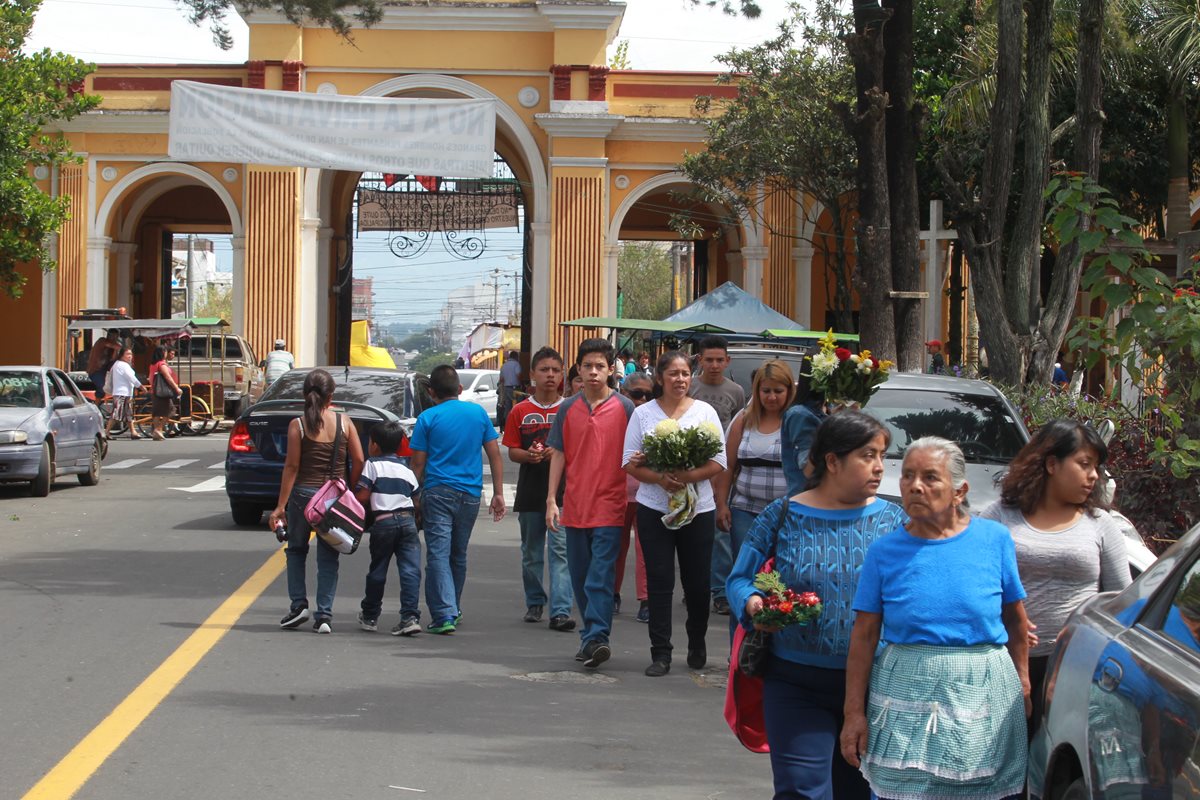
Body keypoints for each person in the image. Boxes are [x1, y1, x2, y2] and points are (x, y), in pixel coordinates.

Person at [726, 410, 905, 800]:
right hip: (795, 683)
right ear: (832, 461)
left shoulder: (895, 521)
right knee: (803, 792)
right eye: (868, 456)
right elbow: (738, 579)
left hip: (877, 687)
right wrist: (754, 605)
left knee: (861, 793)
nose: (879, 467)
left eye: (882, 456)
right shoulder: (783, 515)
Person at [841, 437, 1031, 800]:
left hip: (983, 691)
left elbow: (1016, 620)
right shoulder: (884, 552)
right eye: (908, 475)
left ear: (959, 491)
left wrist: (1022, 680)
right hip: (905, 691)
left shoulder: (994, 540)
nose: (915, 486)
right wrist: (853, 714)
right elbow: (864, 637)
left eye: (930, 477)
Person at [978, 418, 1129, 735]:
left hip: (1078, 669)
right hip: (1002, 661)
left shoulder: (1101, 524)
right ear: (1051, 464)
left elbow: (1122, 604)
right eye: (1084, 464)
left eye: (1097, 467)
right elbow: (973, 588)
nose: (1093, 476)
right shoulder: (999, 516)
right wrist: (1007, 626)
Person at [623, 350, 727, 677]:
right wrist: (658, 479)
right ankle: (660, 652)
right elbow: (628, 462)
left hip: (699, 510)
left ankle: (697, 642)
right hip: (654, 509)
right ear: (660, 378)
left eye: (685, 374)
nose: (680, 380)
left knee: (697, 583)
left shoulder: (705, 412)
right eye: (673, 374)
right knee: (660, 580)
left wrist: (685, 477)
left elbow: (718, 462)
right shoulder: (644, 415)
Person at [545, 338, 635, 670]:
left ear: (611, 370)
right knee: (582, 577)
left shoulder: (625, 408)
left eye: (600, 366)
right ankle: (590, 638)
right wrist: (551, 500)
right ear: (579, 371)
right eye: (588, 366)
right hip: (575, 506)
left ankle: (597, 636)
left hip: (611, 506)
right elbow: (559, 453)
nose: (594, 372)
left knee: (600, 576)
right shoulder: (568, 408)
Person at [409, 364, 507, 634]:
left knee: (438, 554)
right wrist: (498, 493)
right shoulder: (477, 413)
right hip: (471, 494)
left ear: (431, 392)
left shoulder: (427, 418)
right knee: (458, 553)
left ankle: (443, 614)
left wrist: (412, 497)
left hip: (438, 491)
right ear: (460, 389)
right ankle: (454, 607)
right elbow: (494, 455)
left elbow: (417, 464)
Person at [269, 369, 366, 634]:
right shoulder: (345, 423)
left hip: (302, 496)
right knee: (328, 557)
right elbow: (358, 460)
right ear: (331, 395)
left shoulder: (297, 425)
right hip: (333, 498)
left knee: (297, 551)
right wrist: (350, 489)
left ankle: (298, 605)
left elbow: (291, 467)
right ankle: (324, 615)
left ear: (304, 394)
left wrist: (280, 506)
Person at [713, 359, 793, 637]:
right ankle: (741, 641)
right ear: (757, 391)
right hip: (745, 511)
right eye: (766, 391)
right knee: (745, 576)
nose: (771, 397)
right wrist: (721, 504)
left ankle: (775, 639)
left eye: (778, 391)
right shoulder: (744, 420)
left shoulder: (796, 421)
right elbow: (728, 465)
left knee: (781, 577)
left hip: (786, 514)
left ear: (789, 391)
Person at [503, 346, 575, 632]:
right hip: (530, 492)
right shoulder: (520, 411)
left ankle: (560, 610)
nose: (550, 375)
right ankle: (535, 601)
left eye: (555, 370)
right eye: (544, 370)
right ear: (532, 374)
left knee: (561, 552)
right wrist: (530, 455)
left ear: (562, 376)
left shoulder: (571, 408)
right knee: (532, 552)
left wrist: (557, 453)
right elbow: (512, 451)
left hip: (563, 494)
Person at [688, 334, 747, 618]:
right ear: (700, 360)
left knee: (720, 533)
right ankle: (694, 586)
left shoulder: (736, 391)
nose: (713, 365)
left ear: (727, 361)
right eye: (708, 359)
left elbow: (738, 428)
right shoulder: (689, 387)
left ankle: (721, 591)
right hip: (690, 468)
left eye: (719, 360)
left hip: (723, 470)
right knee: (692, 534)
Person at [355, 421, 422, 637]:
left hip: (383, 523)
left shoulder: (372, 465)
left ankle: (370, 616)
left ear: (374, 445)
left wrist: (350, 504)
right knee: (410, 570)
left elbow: (363, 495)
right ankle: (409, 617)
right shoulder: (406, 468)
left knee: (378, 569)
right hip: (408, 521)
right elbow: (417, 499)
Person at [616, 372, 654, 622]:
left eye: (648, 395)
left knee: (647, 550)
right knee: (615, 548)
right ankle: (611, 594)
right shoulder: (614, 417)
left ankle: (646, 599)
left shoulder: (656, 418)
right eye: (636, 394)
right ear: (624, 393)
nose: (642, 400)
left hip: (648, 493)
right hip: (617, 493)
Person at [104, 347, 142, 441]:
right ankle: (106, 432)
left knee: (128, 413)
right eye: (127, 354)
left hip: (125, 393)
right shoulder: (122, 365)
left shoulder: (119, 364)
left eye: (131, 354)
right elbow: (131, 378)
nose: (130, 356)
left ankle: (133, 432)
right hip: (121, 393)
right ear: (121, 355)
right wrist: (141, 386)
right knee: (116, 413)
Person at [148, 345, 182, 442]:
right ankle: (158, 429)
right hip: (163, 391)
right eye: (165, 351)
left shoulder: (153, 364)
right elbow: (168, 377)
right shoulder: (162, 364)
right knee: (170, 410)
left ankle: (157, 431)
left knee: (157, 413)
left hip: (155, 391)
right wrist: (176, 388)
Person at [86, 331, 121, 401]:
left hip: (104, 372)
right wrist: (117, 347)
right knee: (102, 387)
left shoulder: (112, 349)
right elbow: (111, 345)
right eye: (113, 336)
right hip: (95, 370)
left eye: (116, 337)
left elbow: (112, 359)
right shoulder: (102, 341)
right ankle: (97, 405)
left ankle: (99, 404)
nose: (114, 338)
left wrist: (115, 350)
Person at [498, 350, 522, 431]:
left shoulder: (504, 365)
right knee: (517, 406)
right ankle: (516, 424)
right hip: (515, 388)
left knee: (508, 407)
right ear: (516, 357)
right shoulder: (516, 364)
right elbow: (518, 374)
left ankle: (508, 425)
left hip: (506, 388)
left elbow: (501, 379)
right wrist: (521, 383)